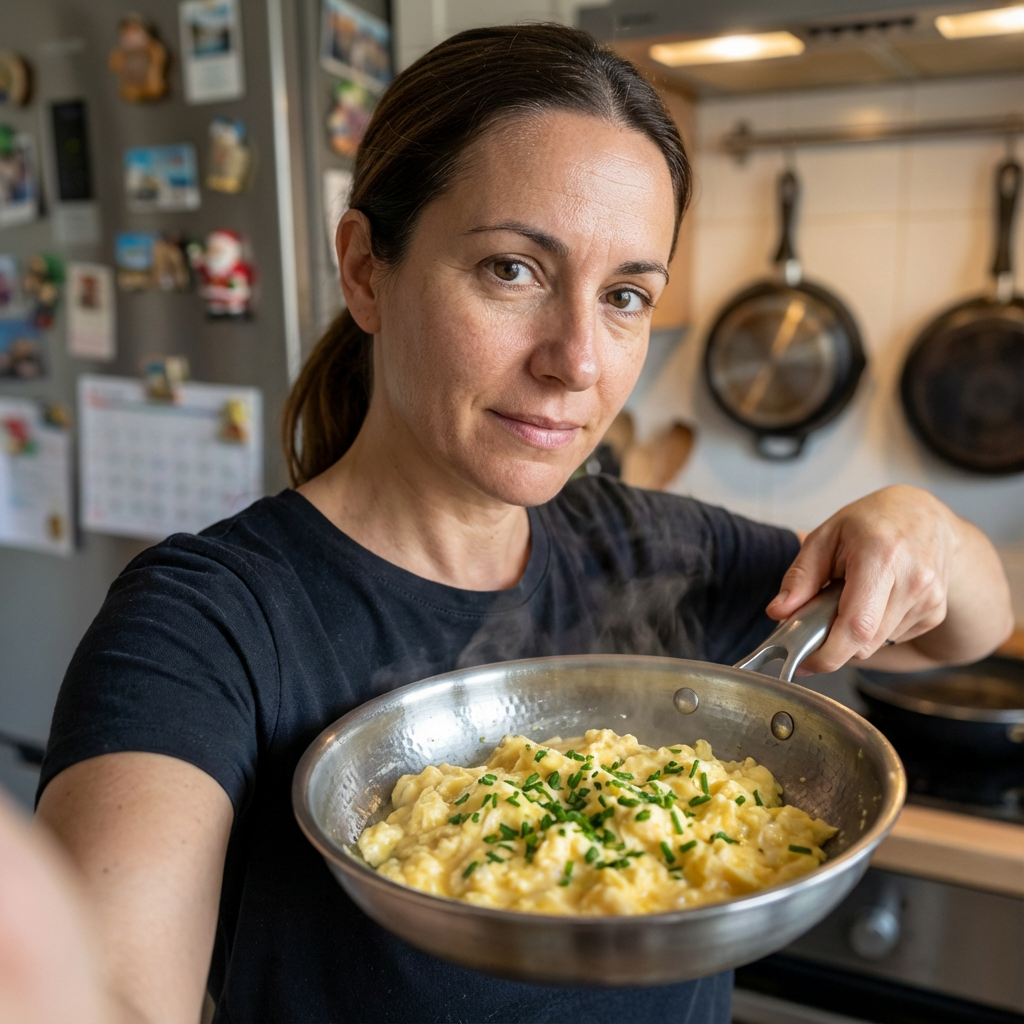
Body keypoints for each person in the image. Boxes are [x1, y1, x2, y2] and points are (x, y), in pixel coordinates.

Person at [33, 24, 1012, 1024]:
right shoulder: (207, 624)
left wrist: (919, 527)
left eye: (626, 295)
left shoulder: (656, 553)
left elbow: (962, 629)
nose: (578, 360)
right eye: (513, 270)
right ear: (367, 269)